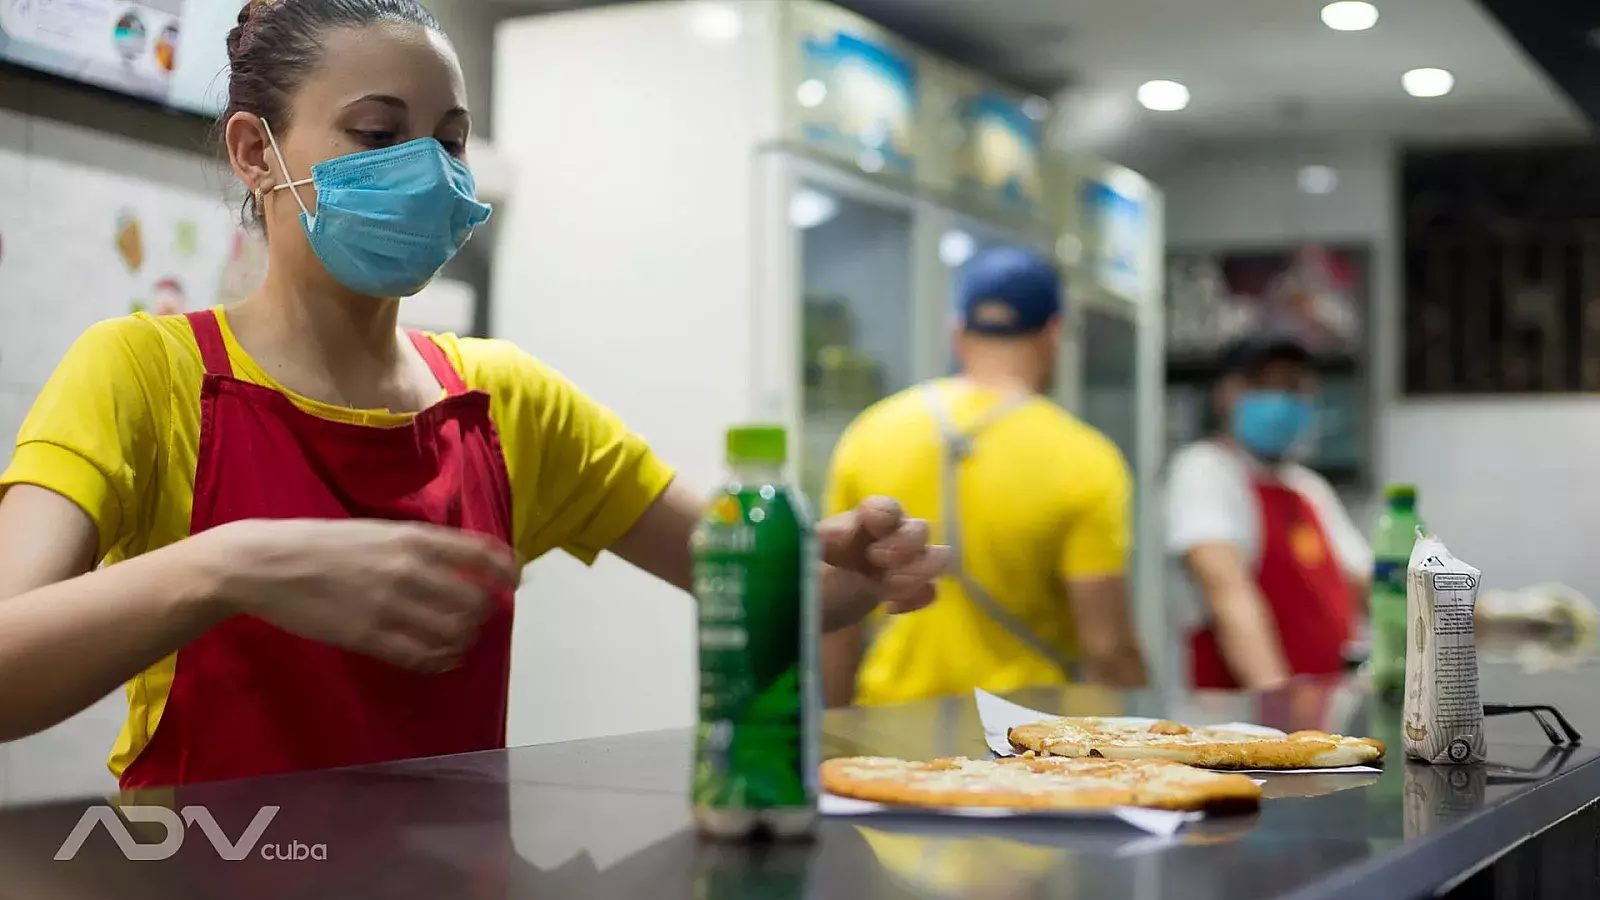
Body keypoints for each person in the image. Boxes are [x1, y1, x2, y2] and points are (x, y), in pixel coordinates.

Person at [0, 0, 947, 789]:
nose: (426, 171)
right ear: (255, 151)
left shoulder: (505, 400)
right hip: (202, 874)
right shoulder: (145, 372)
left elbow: (736, 577)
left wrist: (844, 572)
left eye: (449, 143)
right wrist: (231, 566)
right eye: (378, 134)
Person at [820, 247, 1148, 708]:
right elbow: (1107, 647)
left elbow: (835, 619)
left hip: (889, 728)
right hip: (1026, 739)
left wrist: (834, 733)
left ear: (958, 333)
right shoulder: (1085, 458)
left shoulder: (870, 431)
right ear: (1054, 334)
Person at [1166, 331, 1370, 690]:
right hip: (1245, 729)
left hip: (1323, 721)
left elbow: (1367, 585)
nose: (1280, 399)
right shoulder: (1205, 471)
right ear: (1225, 393)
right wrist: (1277, 710)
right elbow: (1229, 598)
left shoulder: (1307, 487)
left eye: (1292, 387)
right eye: (1263, 385)